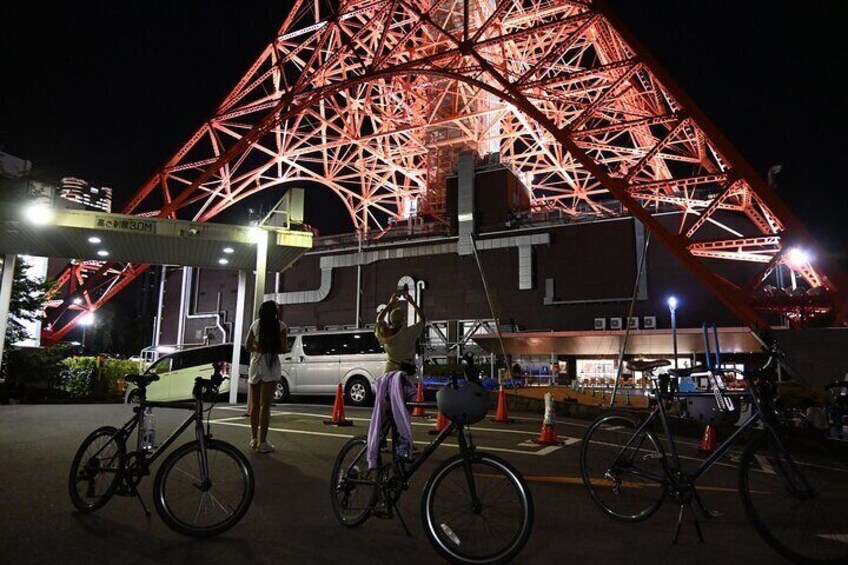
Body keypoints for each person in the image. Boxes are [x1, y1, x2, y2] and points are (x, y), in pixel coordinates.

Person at [245, 300, 287, 453]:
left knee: (255, 405)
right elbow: (283, 348)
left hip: (256, 365)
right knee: (266, 406)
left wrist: (258, 346)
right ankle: (263, 442)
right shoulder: (281, 326)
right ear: (275, 312)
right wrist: (271, 347)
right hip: (271, 366)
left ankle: (254, 438)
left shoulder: (256, 324)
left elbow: (247, 345)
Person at [375, 292, 425, 375]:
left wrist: (390, 304)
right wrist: (412, 302)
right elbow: (422, 320)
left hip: (389, 371)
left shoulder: (385, 334)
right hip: (406, 371)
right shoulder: (409, 333)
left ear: (391, 320)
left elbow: (379, 319)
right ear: (403, 319)